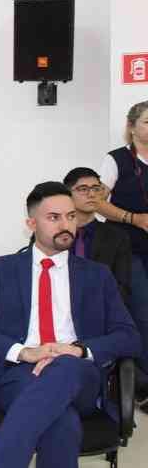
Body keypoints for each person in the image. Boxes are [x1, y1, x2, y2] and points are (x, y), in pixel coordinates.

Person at [0, 181, 140, 468]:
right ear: (31, 224)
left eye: (70, 216)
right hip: (17, 374)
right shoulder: (3, 269)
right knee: (61, 422)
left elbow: (129, 336)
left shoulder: (97, 275)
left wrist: (78, 350)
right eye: (54, 217)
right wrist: (24, 352)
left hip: (80, 375)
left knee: (66, 365)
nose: (65, 225)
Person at [95, 100, 148, 402]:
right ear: (131, 127)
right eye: (147, 122)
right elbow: (97, 202)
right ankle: (141, 385)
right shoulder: (116, 160)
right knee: (141, 315)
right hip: (130, 249)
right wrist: (133, 218)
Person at [62, 167, 131, 298]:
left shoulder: (117, 237)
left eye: (96, 188)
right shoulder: (53, 233)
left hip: (102, 306)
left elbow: (122, 288)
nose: (92, 194)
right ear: (67, 195)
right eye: (83, 189)